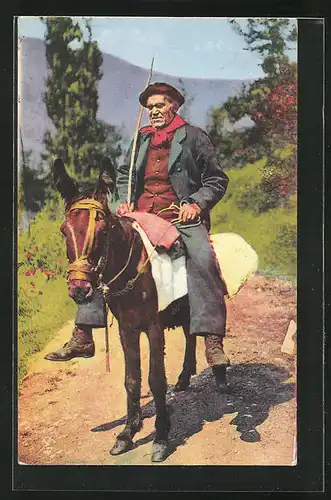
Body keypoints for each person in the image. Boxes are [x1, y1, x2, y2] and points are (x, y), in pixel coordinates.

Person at [45, 82, 230, 390]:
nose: (154, 111)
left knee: (202, 256)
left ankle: (212, 339)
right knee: (101, 247)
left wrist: (197, 203)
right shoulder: (140, 140)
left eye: (160, 105)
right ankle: (83, 333)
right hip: (142, 214)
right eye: (150, 107)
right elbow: (123, 175)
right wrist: (122, 201)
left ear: (174, 106)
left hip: (180, 215)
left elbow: (216, 179)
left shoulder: (195, 137)